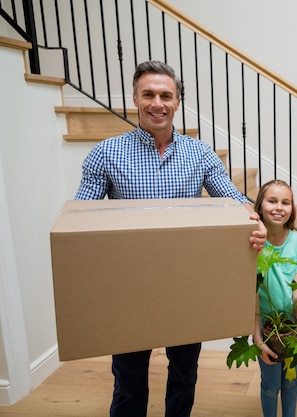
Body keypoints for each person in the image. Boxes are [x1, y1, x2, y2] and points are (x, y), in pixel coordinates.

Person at [74, 60, 267, 417]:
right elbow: (81, 220)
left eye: (166, 95)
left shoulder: (201, 153)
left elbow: (233, 199)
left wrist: (253, 221)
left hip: (187, 286)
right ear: (135, 98)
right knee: (128, 383)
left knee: (184, 374)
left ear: (178, 102)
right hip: (129, 288)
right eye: (148, 94)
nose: (157, 103)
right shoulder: (105, 154)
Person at [252, 179, 297, 417]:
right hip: (265, 326)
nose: (279, 207)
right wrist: (257, 337)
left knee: (290, 380)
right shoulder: (253, 243)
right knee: (270, 385)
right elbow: (251, 294)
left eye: (286, 202)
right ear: (260, 206)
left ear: (292, 208)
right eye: (272, 201)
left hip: (289, 326)